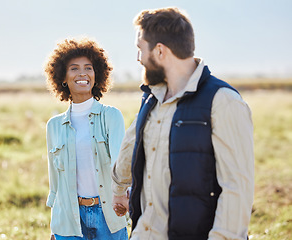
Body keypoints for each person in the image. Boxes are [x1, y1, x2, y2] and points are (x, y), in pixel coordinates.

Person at [111, 7, 254, 240]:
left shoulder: (224, 102)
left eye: (140, 49)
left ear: (159, 51)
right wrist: (118, 189)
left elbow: (236, 189)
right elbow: (132, 143)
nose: (138, 58)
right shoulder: (152, 98)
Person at [44, 37, 128, 240]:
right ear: (63, 77)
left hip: (108, 215)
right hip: (68, 218)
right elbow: (55, 183)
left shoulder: (111, 116)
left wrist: (125, 198)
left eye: (88, 68)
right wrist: (56, 227)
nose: (82, 73)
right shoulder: (53, 125)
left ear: (96, 74)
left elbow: (121, 165)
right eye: (74, 68)